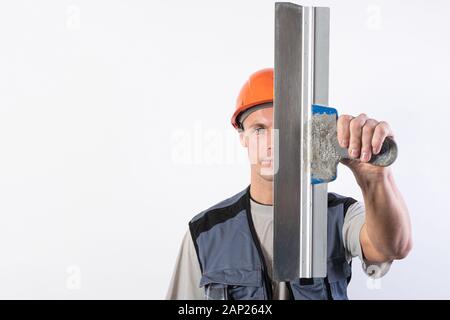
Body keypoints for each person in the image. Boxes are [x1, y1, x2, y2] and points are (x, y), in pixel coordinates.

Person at [166, 68, 412, 300]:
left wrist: (375, 180)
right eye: (259, 129)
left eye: (282, 129)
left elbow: (393, 247)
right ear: (243, 137)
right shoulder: (205, 232)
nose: (272, 142)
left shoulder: (340, 215)